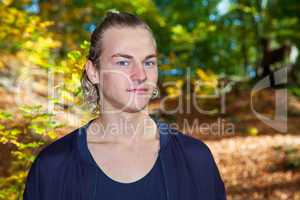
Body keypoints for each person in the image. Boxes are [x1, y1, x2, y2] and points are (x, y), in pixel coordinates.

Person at [23, 11, 227, 200]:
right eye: (123, 62)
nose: (141, 75)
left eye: (148, 62)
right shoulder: (52, 167)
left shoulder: (195, 160)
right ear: (94, 72)